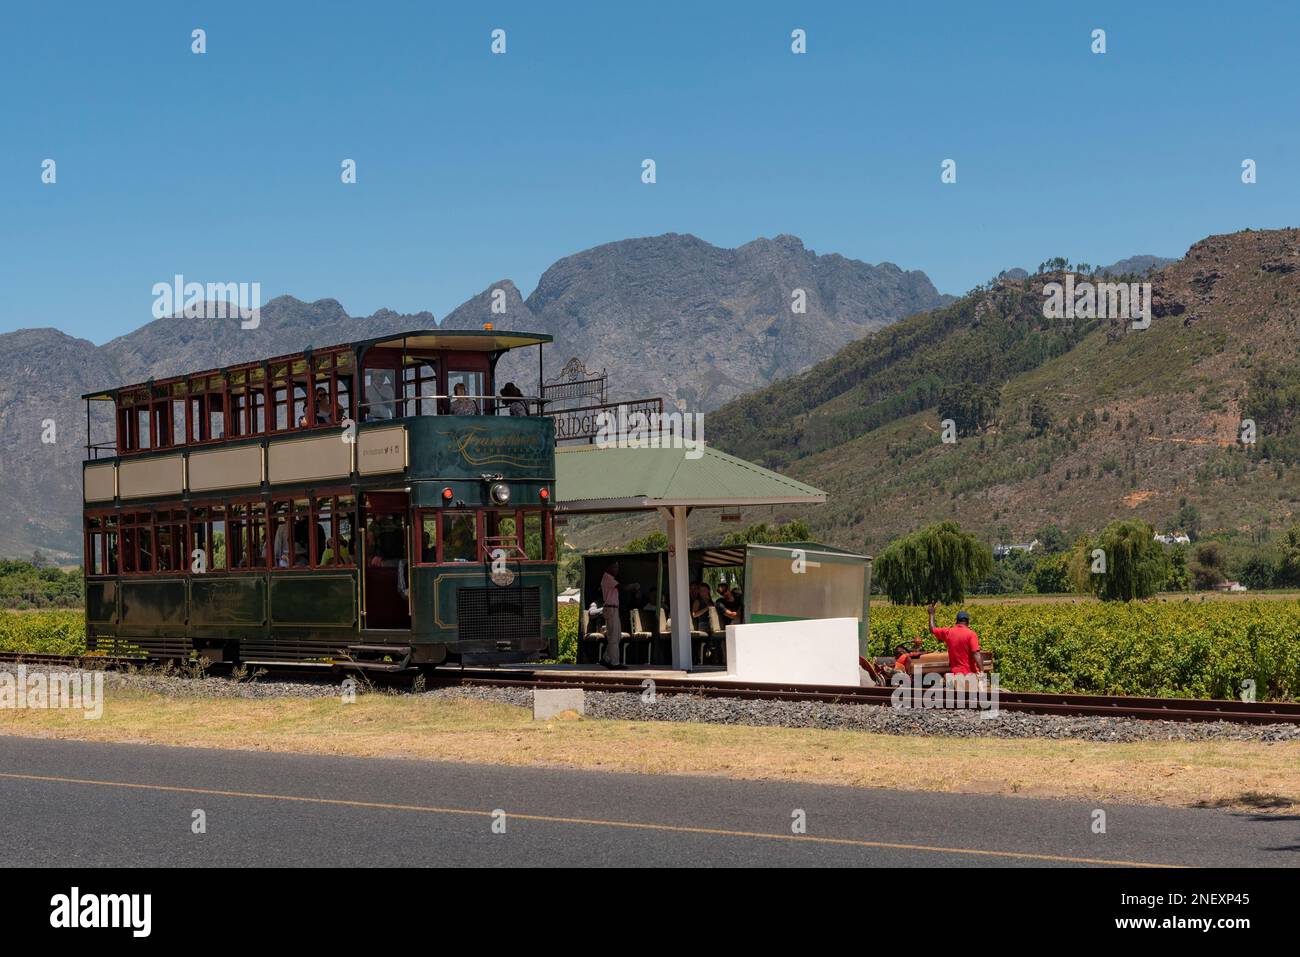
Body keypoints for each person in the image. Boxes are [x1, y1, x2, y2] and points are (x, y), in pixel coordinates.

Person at [927, 603, 985, 682]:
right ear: (967, 622)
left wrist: (931, 614)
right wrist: (982, 672)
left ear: (957, 621)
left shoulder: (948, 632)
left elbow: (932, 629)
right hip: (970, 675)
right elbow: (976, 654)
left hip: (956, 675)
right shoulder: (971, 634)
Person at [600, 562, 625, 670]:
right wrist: (633, 586)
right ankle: (614, 662)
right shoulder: (607, 578)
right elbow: (621, 587)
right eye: (614, 567)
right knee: (614, 637)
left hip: (614, 608)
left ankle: (606, 658)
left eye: (617, 567)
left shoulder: (610, 578)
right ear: (608, 567)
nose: (617, 569)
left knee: (617, 636)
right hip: (610, 608)